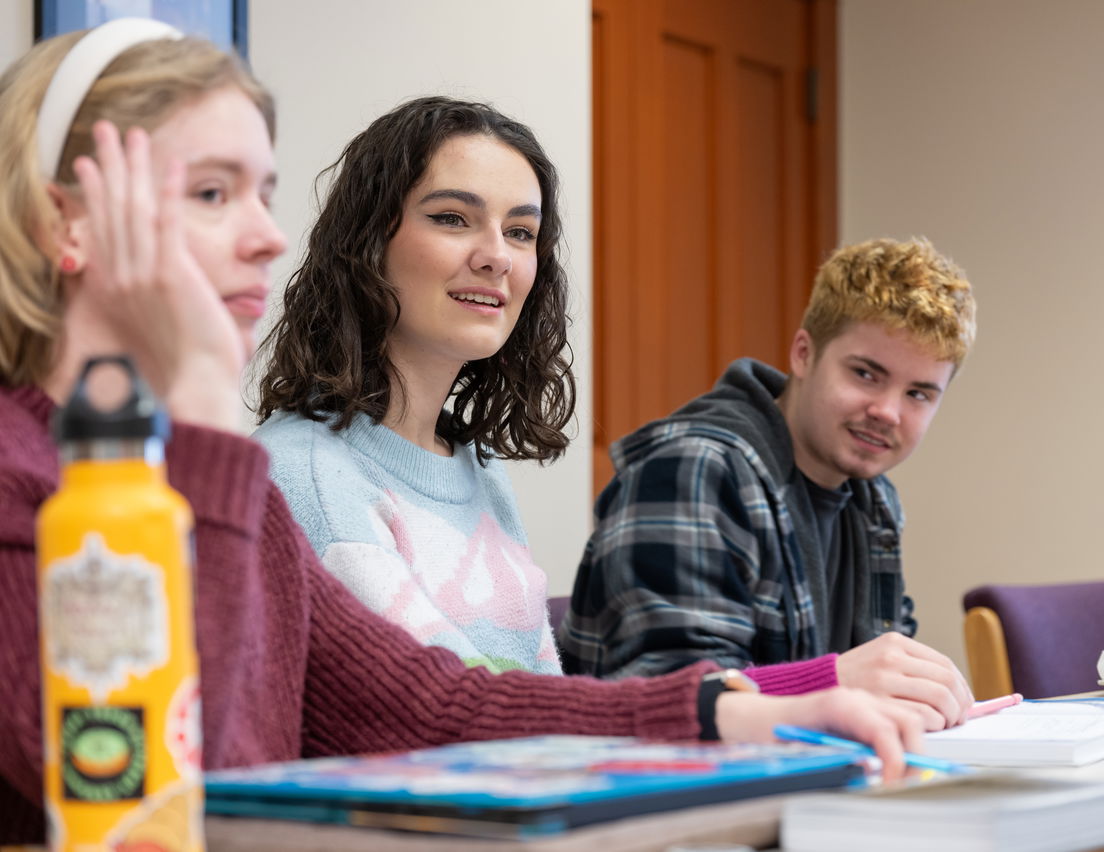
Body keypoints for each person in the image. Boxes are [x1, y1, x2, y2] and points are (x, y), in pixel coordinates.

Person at [0, 20, 921, 843]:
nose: (267, 237)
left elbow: (438, 703)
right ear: (64, 220)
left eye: (261, 194)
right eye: (211, 193)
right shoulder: (25, 476)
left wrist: (729, 711)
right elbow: (176, 798)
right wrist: (200, 402)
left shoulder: (221, 488)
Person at [560, 237, 978, 731]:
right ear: (803, 354)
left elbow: (879, 691)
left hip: (811, 788)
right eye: (866, 374)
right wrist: (835, 680)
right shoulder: (696, 470)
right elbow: (668, 698)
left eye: (918, 394)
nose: (887, 412)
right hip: (657, 797)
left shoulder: (874, 500)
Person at [253, 97, 572, 675]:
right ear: (368, 243)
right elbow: (457, 711)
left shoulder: (478, 468)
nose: (497, 256)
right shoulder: (302, 474)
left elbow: (542, 701)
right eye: (452, 218)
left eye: (521, 231)